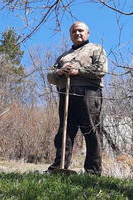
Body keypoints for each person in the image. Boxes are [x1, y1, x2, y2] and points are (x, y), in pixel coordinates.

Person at [47, 21, 108, 175]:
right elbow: (50, 77)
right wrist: (60, 72)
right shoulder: (64, 56)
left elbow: (101, 70)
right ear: (70, 35)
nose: (77, 33)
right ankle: (59, 167)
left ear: (87, 33)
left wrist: (77, 71)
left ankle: (93, 171)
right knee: (64, 132)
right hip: (66, 94)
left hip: (88, 93)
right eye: (74, 31)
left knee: (91, 131)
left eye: (81, 31)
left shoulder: (96, 49)